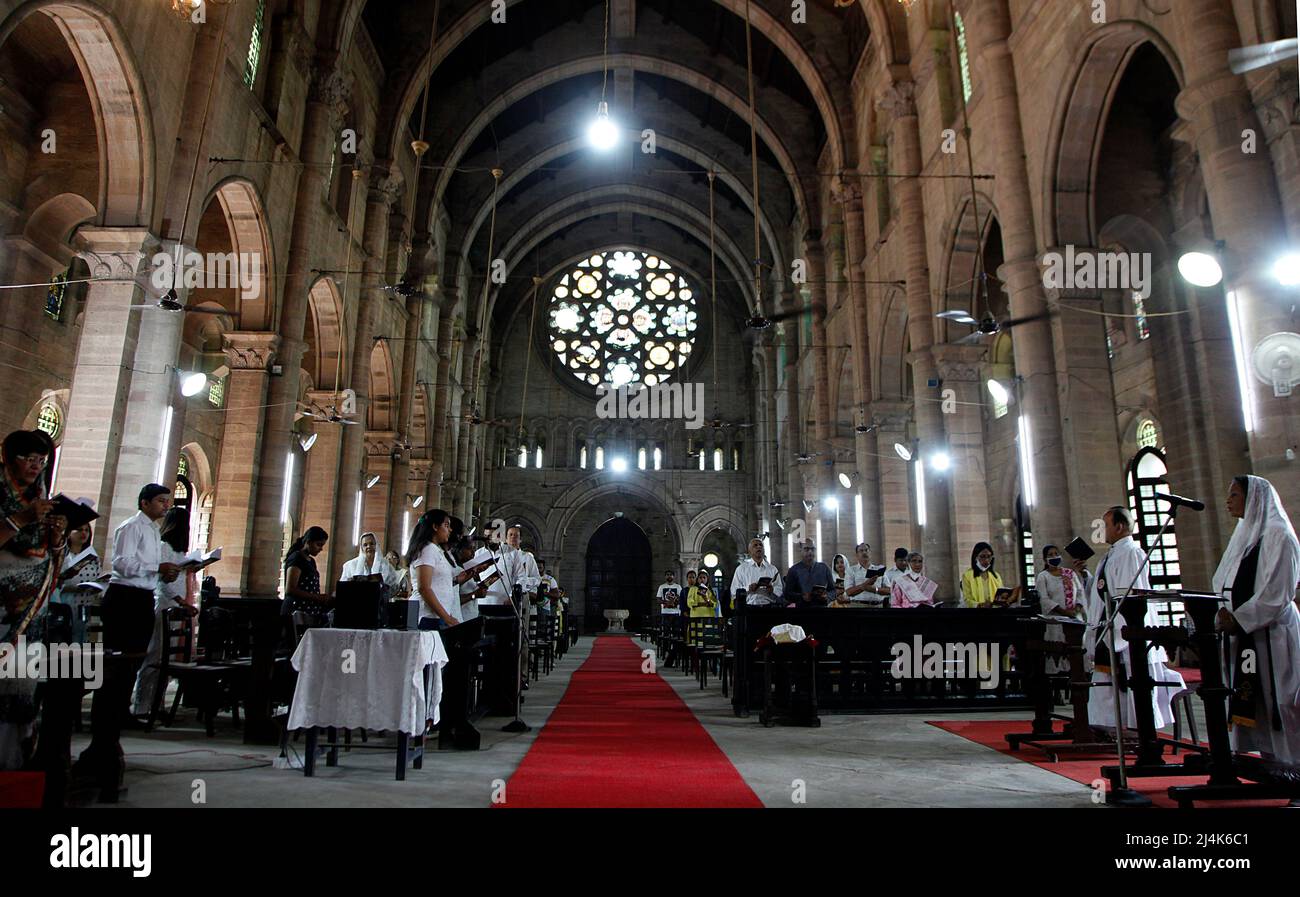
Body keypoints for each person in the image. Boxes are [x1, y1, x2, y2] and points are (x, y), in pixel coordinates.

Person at [74, 483, 178, 801]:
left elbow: (147, 571)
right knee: (118, 666)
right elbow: (122, 564)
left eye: (167, 502)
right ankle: (104, 737)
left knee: (132, 663)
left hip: (143, 597)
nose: (165, 507)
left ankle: (117, 720)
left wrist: (166, 574)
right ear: (144, 502)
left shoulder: (154, 532)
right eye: (160, 501)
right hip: (125, 598)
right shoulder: (131, 526)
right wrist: (154, 568)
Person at [1212, 476, 1300, 768]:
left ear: (1255, 498)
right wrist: (1221, 613)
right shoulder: (1245, 535)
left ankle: (1295, 768)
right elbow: (1224, 583)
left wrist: (1238, 618)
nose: (1228, 500)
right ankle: (1272, 766)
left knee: (1281, 701)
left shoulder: (1279, 535)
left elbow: (1278, 591)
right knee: (1258, 701)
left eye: (1234, 494)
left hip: (1273, 635)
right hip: (1246, 636)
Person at [1084, 506, 1184, 729]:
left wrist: (1116, 635)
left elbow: (1131, 597)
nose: (1103, 530)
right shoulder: (1111, 555)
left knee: (1130, 684)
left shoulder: (1131, 553)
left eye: (1106, 525)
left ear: (1119, 527)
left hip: (1126, 635)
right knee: (1109, 687)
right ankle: (1112, 727)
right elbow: (1102, 592)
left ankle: (1136, 729)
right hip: (1108, 627)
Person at [0, 430, 63, 771]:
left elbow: (51, 555)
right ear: (10, 458)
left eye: (41, 461)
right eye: (29, 459)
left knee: (21, 689)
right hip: (1, 605)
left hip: (31, 610)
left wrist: (56, 537)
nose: (36, 467)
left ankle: (12, 765)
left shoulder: (40, 495)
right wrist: (21, 519)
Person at [132, 508, 215, 717]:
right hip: (163, 605)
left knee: (166, 657)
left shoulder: (178, 551)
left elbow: (177, 575)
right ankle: (142, 704)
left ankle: (156, 703)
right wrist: (180, 601)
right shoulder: (163, 547)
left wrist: (195, 566)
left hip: (176, 606)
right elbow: (162, 581)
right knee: (154, 655)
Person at [406, 510, 459, 629]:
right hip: (426, 616)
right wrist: (447, 618)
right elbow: (424, 588)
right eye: (446, 525)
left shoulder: (436, 550)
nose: (450, 530)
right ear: (435, 526)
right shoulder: (427, 549)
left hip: (435, 616)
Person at [1035, 544, 1083, 674]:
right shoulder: (1043, 576)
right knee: (1058, 655)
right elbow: (1044, 599)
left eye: (1056, 553)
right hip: (1055, 622)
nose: (1054, 556)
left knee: (1076, 655)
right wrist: (1064, 612)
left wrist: (1077, 609)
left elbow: (1079, 592)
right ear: (1045, 560)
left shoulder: (1070, 573)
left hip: (1074, 620)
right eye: (1050, 555)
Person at [54, 518, 101, 644]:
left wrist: (97, 585)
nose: (84, 533)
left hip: (85, 601)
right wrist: (72, 587)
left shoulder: (92, 556)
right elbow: (55, 581)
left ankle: (78, 661)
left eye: (86, 530)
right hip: (66, 600)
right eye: (79, 529)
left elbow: (97, 575)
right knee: (65, 635)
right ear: (69, 532)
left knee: (81, 634)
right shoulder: (62, 554)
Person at [282, 526, 332, 621]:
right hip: (296, 611)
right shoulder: (297, 558)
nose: (321, 549)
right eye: (318, 544)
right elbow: (290, 589)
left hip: (307, 611)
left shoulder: (311, 561)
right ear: (308, 542)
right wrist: (317, 597)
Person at [731, 538, 783, 606]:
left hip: (769, 608)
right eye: (755, 545)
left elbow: (780, 590)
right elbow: (733, 592)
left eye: (761, 545)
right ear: (749, 551)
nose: (759, 547)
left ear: (764, 550)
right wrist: (748, 588)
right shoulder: (741, 569)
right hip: (749, 608)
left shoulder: (772, 569)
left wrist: (772, 590)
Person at [784, 540, 836, 606]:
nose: (810, 552)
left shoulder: (824, 568)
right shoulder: (794, 570)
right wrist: (802, 597)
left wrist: (827, 596)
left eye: (813, 549)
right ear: (800, 550)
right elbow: (787, 594)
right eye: (806, 549)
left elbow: (833, 590)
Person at [960, 542, 1005, 608]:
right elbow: (967, 600)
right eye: (982, 556)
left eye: (989, 556)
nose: (986, 560)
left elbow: (1001, 596)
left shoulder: (996, 576)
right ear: (975, 557)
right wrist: (980, 605)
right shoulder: (967, 576)